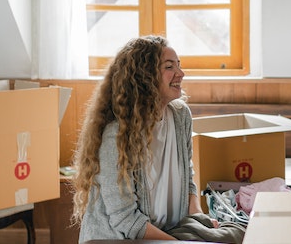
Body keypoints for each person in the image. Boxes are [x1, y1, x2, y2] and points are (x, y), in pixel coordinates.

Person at [71, 35, 244, 242]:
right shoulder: (116, 134)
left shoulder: (180, 116)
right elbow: (127, 220)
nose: (181, 73)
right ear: (144, 76)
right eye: (169, 67)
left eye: (179, 65)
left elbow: (187, 178)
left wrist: (199, 218)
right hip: (119, 239)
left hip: (169, 234)